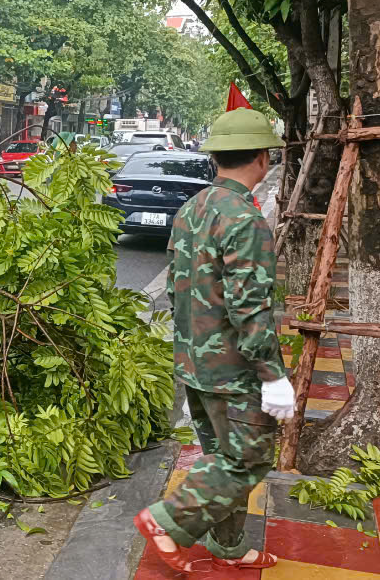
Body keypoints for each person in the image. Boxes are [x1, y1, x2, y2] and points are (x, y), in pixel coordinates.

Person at [134, 108, 293, 573]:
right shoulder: (245, 220)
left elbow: (174, 286)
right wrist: (273, 374)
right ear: (263, 159)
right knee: (247, 459)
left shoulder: (192, 209)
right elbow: (250, 308)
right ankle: (167, 520)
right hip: (233, 368)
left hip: (193, 363)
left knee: (223, 458)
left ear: (214, 159)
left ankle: (229, 545)